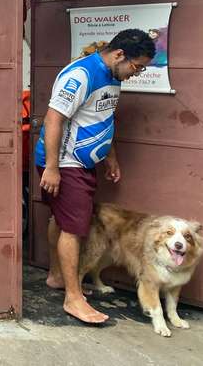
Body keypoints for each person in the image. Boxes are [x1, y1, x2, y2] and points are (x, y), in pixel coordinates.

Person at [35, 28, 155, 324]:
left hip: (81, 161)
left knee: (62, 220)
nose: (137, 72)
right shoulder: (82, 75)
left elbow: (103, 118)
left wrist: (110, 156)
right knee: (75, 228)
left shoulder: (114, 76)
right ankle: (73, 299)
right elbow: (54, 119)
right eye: (137, 66)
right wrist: (53, 167)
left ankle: (56, 276)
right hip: (66, 162)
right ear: (119, 55)